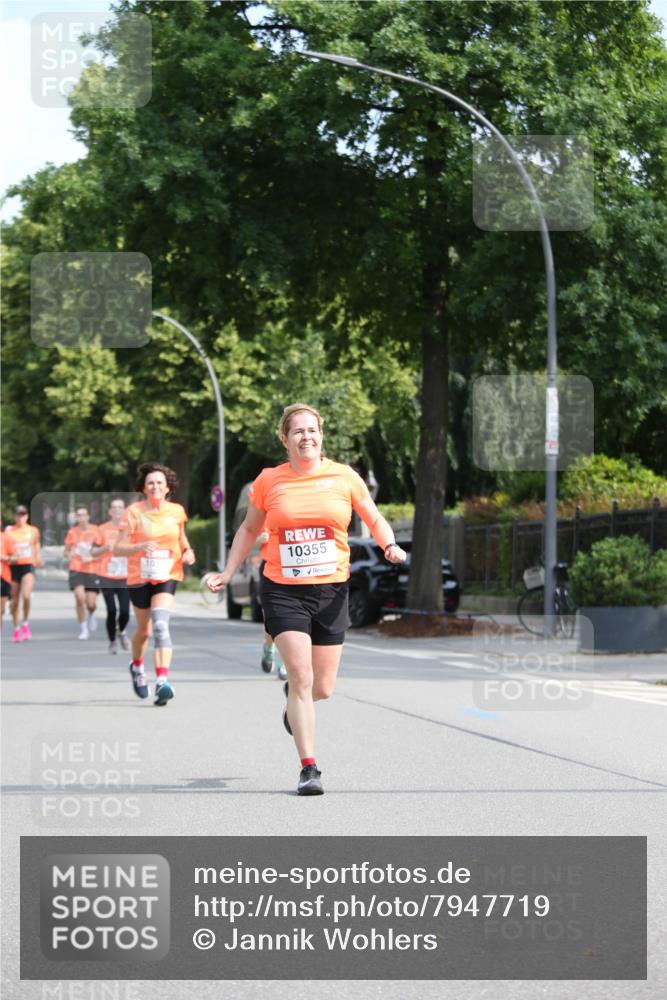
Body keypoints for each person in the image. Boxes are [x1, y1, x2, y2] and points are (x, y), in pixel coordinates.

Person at [207, 403, 406, 796]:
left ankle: (292, 706)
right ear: (285, 438)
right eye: (297, 431)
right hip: (282, 589)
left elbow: (374, 517)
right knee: (300, 677)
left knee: (323, 687)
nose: (306, 437)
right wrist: (228, 572)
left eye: (312, 430)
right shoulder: (268, 481)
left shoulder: (344, 477)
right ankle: (309, 768)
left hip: (331, 590)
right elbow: (248, 530)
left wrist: (390, 544)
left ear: (321, 435)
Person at [114, 462, 195, 706]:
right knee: (145, 630)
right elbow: (117, 548)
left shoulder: (176, 511)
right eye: (151, 483)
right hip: (139, 577)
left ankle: (162, 682)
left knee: (160, 626)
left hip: (167, 574)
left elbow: (181, 539)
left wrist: (188, 551)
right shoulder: (134, 512)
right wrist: (139, 547)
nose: (155, 486)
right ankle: (137, 667)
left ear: (168, 486)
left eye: (160, 482)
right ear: (144, 487)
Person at [92, 498, 131, 654]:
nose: (117, 510)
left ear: (124, 511)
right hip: (106, 574)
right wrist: (104, 548)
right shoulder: (101, 529)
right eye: (114, 507)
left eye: (120, 507)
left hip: (125, 575)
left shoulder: (130, 529)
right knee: (112, 610)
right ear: (109, 511)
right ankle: (112, 641)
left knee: (125, 611)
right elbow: (92, 552)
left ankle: (121, 631)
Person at [5, 504, 42, 642]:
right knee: (15, 601)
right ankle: (16, 628)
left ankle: (25, 622)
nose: (21, 517)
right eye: (19, 514)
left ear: (27, 516)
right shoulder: (9, 531)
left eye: (24, 514)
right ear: (14, 516)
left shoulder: (33, 530)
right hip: (13, 566)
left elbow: (36, 544)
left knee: (26, 595)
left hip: (28, 565)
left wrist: (38, 557)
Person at [64, 505, 101, 639]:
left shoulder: (96, 530)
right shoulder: (72, 532)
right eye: (78, 515)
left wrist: (91, 557)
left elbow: (103, 551)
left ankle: (91, 614)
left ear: (88, 516)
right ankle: (83, 628)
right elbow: (66, 551)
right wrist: (69, 554)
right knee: (80, 598)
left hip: (92, 569)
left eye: (83, 514)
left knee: (91, 603)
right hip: (76, 568)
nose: (81, 517)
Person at [257, 529, 287, 681]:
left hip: (294, 565)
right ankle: (269, 648)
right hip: (270, 565)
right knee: (272, 618)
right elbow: (248, 533)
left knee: (291, 621)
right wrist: (259, 539)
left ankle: (286, 664)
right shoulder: (264, 509)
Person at [0, 520, 13, 628]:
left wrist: (6, 558)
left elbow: (15, 556)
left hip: (4, 576)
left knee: (1, 610)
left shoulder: (6, 538)